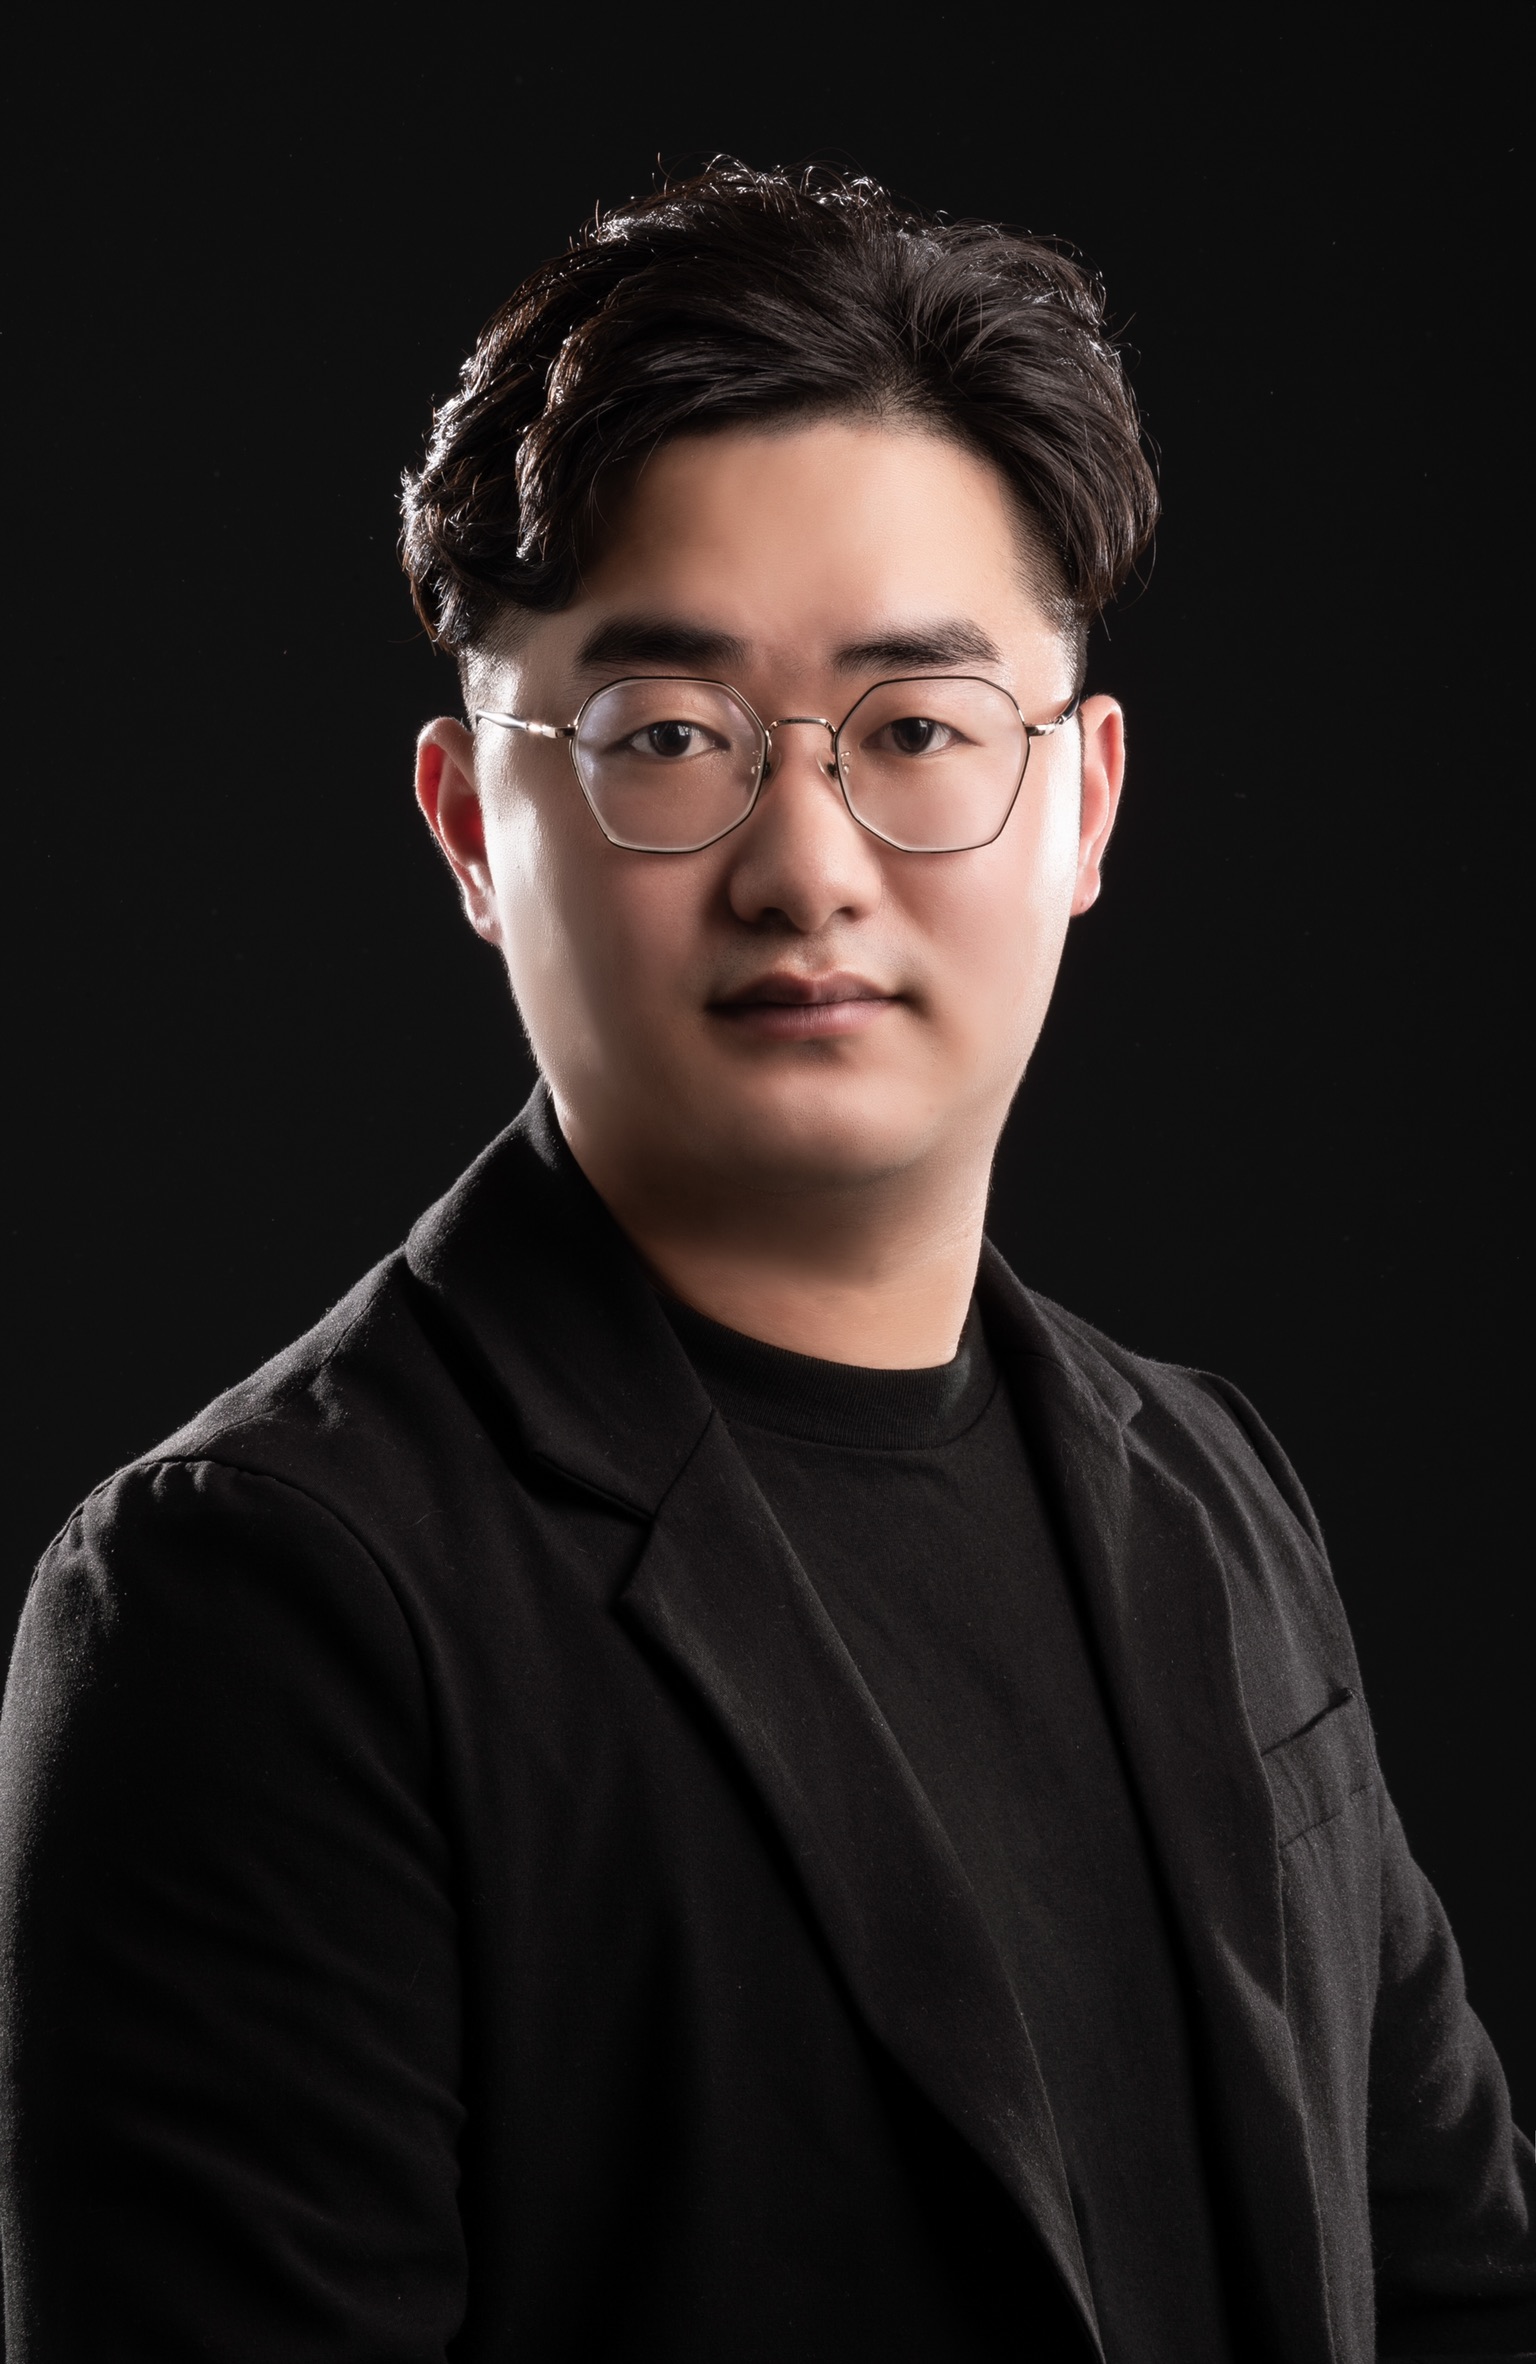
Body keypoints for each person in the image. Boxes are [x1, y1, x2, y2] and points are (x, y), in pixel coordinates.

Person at [1, 161, 1530, 2363]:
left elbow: (1462, 2284)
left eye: (916, 730)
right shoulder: (262, 1600)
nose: (805, 865)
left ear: (1087, 805)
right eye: (669, 740)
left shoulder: (1217, 1494)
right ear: (469, 828)